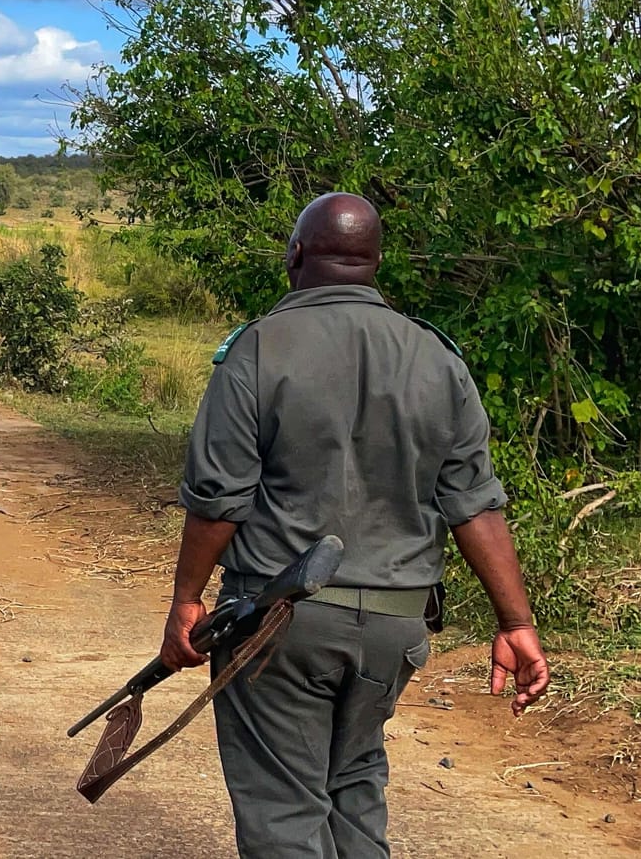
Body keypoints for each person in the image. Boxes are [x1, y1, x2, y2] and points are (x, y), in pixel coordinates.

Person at [159, 192, 550, 859]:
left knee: (286, 810)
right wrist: (515, 621)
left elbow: (219, 498)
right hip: (394, 630)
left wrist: (187, 599)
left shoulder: (256, 350)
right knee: (355, 783)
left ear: (296, 255)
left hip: (280, 625)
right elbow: (474, 505)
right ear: (374, 263)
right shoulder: (437, 358)